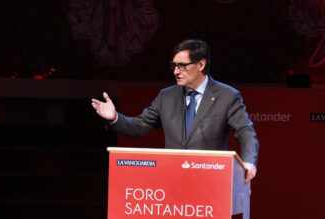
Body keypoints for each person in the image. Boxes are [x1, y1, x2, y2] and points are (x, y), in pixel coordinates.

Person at [91, 39, 259, 182]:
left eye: (182, 66)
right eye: (174, 66)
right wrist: (115, 117)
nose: (176, 71)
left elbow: (246, 132)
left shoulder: (227, 96)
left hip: (212, 180)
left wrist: (248, 163)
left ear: (201, 65)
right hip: (173, 180)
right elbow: (138, 126)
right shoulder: (167, 96)